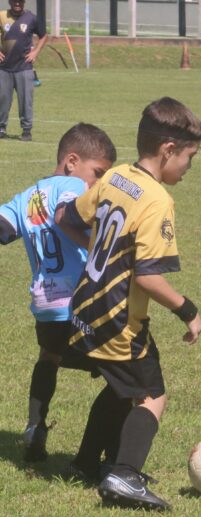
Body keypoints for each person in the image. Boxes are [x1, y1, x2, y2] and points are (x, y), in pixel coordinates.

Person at [55, 97, 201, 511]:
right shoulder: (157, 200)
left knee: (121, 387)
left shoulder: (117, 176)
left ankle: (87, 463)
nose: (188, 168)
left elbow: (65, 218)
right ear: (168, 150)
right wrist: (188, 310)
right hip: (118, 317)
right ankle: (125, 475)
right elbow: (149, 277)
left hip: (85, 306)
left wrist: (101, 254)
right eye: (189, 158)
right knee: (151, 394)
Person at [0, 124, 116, 462]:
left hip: (46, 304)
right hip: (82, 302)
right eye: (98, 173)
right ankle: (109, 458)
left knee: (48, 358)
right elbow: (70, 213)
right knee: (125, 373)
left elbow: (4, 229)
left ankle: (35, 427)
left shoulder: (25, 197)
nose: (96, 183)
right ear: (71, 161)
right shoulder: (73, 186)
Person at [0, 0, 48, 141]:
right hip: (4, 68)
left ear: (24, 2)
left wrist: (35, 53)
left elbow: (44, 36)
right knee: (2, 100)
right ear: (10, 2)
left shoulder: (31, 18)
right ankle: (1, 129)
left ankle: (26, 131)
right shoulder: (2, 15)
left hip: (24, 68)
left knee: (26, 101)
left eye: (20, 1)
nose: (17, 3)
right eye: (15, 1)